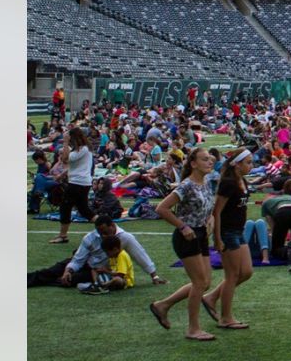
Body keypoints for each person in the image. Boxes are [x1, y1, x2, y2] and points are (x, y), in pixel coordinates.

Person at [149, 147, 218, 342]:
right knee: (199, 283)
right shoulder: (186, 185)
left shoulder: (206, 183)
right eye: (205, 159)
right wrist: (182, 226)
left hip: (201, 234)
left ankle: (163, 305)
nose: (210, 162)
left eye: (210, 159)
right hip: (187, 236)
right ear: (193, 163)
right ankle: (193, 328)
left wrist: (210, 219)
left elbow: (207, 207)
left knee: (205, 283)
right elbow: (162, 208)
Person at [27, 214, 167, 289]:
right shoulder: (90, 237)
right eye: (100, 233)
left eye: (105, 232)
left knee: (73, 280)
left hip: (98, 270)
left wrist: (154, 276)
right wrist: (68, 270)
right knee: (54, 270)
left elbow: (140, 255)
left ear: (112, 226)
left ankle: (59, 281)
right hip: (85, 263)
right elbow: (78, 258)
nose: (103, 236)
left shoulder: (125, 237)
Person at [203, 149, 254, 331]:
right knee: (232, 275)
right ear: (237, 164)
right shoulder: (228, 183)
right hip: (228, 231)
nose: (251, 165)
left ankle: (211, 297)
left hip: (238, 230)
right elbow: (216, 211)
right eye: (248, 162)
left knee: (246, 272)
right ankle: (226, 317)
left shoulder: (243, 181)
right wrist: (217, 238)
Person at [50, 126, 96, 244]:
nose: (68, 141)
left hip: (78, 183)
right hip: (80, 182)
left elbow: (65, 159)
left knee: (65, 207)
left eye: (69, 138)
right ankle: (109, 227)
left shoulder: (83, 149)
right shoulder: (81, 149)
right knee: (84, 210)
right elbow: (74, 165)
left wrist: (65, 142)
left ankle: (63, 235)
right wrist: (62, 175)